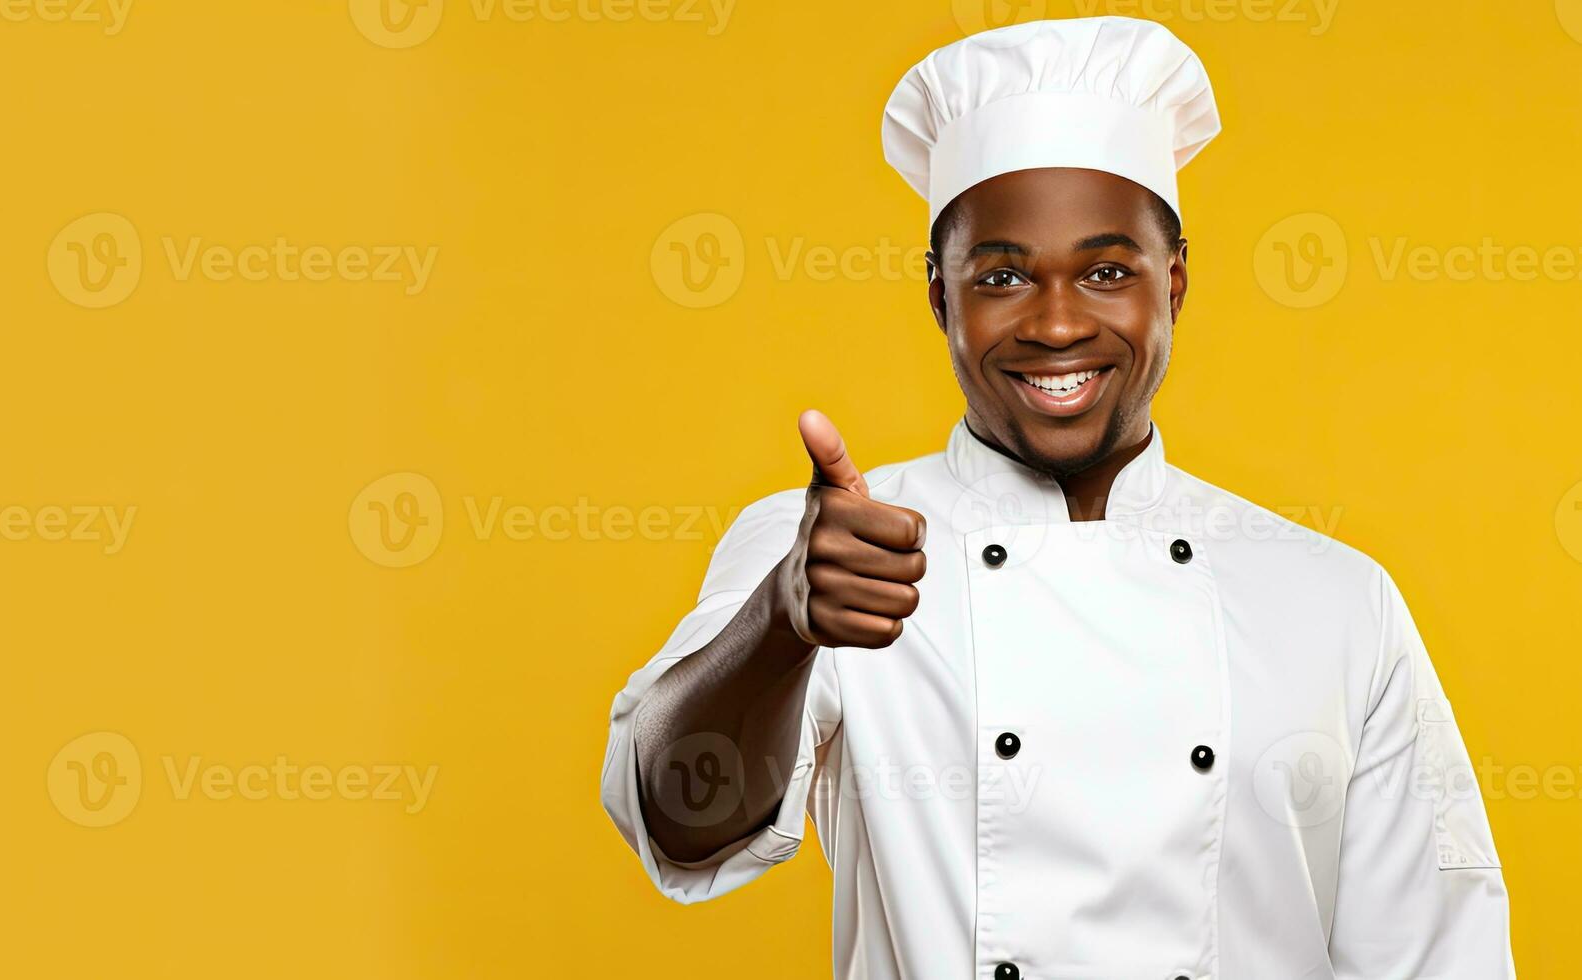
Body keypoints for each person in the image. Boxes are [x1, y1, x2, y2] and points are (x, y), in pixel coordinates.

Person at [597, 16, 1512, 978]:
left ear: (1176, 284)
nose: (1057, 322)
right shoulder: (829, 549)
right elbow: (676, 823)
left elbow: (1436, 952)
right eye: (1001, 277)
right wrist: (778, 628)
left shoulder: (1333, 597)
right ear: (939, 299)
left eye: (1107, 271)